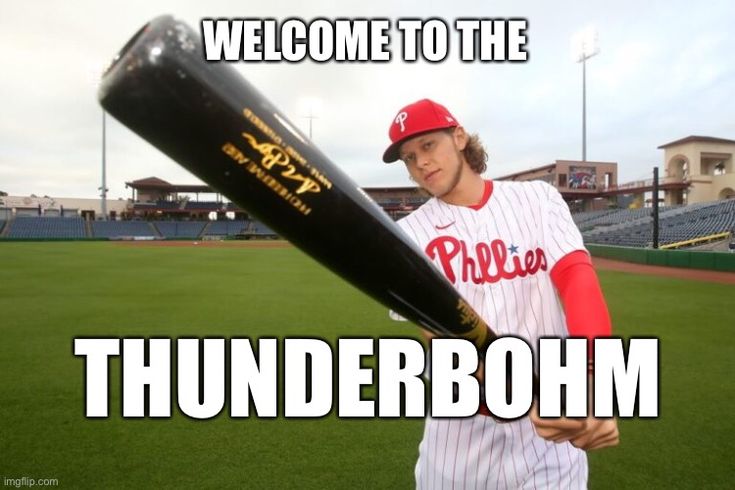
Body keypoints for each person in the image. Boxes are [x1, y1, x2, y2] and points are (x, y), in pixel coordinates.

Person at [382, 99, 618, 488]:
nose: (420, 163)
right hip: (460, 441)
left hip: (553, 440)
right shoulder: (409, 235)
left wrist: (590, 384)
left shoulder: (536, 200)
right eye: (408, 157)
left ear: (459, 137)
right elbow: (442, 338)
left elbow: (577, 280)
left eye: (428, 146)